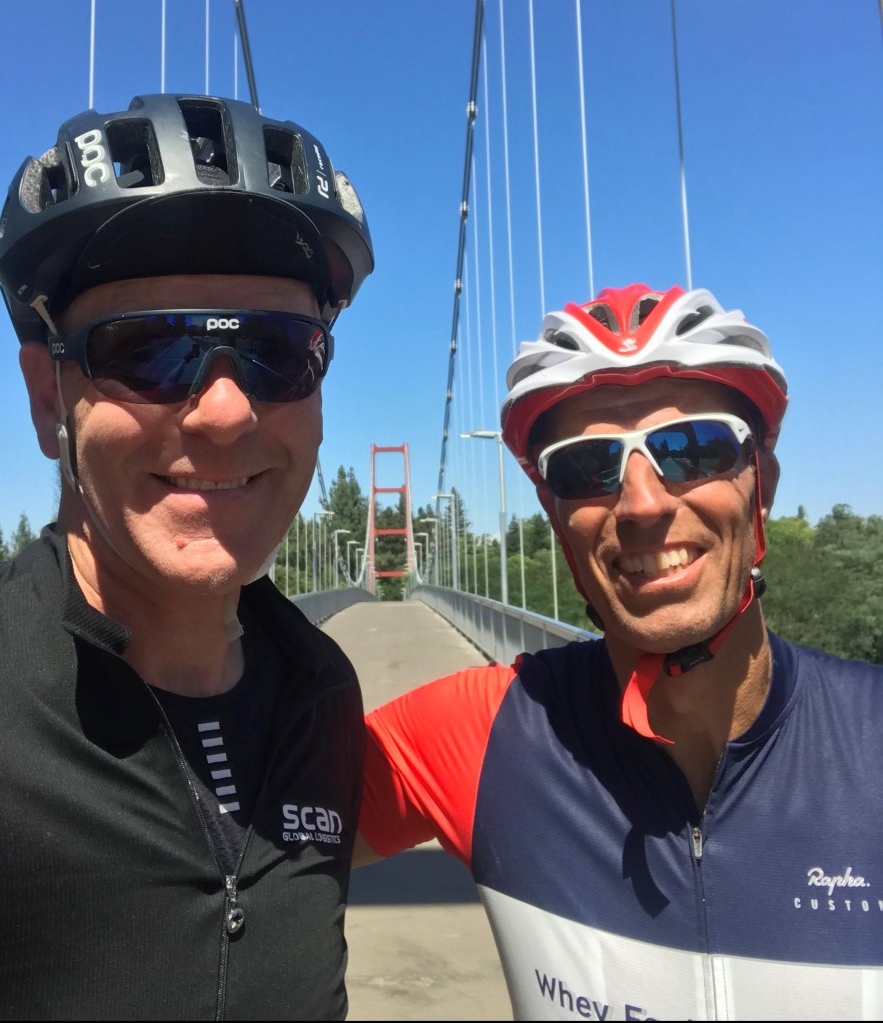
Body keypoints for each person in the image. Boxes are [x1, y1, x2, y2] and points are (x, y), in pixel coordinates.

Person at [0, 93, 373, 1020]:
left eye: (279, 351)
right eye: (149, 350)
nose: (225, 412)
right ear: (49, 401)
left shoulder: (325, 695)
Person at [356, 283, 883, 1020]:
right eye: (587, 467)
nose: (642, 503)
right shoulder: (483, 735)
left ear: (760, 485)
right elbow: (220, 833)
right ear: (556, 515)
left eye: (692, 449)